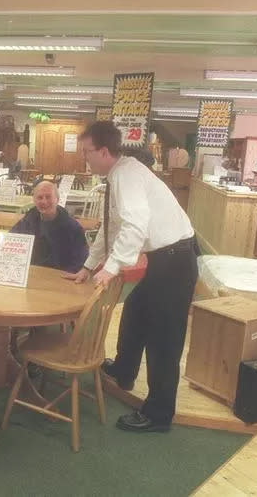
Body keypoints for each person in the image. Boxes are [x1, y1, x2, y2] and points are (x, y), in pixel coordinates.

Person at [62, 121, 198, 433]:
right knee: (135, 313)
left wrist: (110, 269)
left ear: (105, 151)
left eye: (87, 152)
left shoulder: (126, 175)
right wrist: (89, 265)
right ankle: (124, 370)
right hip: (165, 258)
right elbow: (112, 227)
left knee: (164, 340)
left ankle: (159, 414)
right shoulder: (119, 173)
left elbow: (135, 226)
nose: (85, 158)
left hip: (175, 261)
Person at [0, 181, 88, 273]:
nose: (44, 201)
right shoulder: (28, 221)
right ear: (34, 200)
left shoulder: (72, 227)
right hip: (32, 274)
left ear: (57, 199)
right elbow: (10, 239)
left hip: (60, 277)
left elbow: (81, 259)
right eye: (40, 197)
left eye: (48, 197)